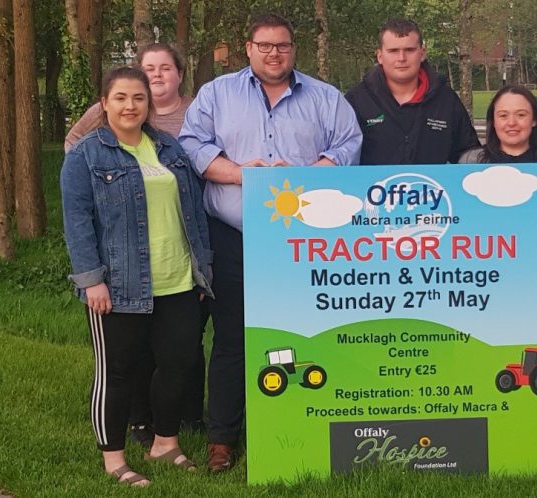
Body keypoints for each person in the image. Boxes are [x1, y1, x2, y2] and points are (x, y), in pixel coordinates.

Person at [178, 13, 362, 473]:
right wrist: (243, 175)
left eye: (282, 46)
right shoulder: (216, 95)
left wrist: (300, 179)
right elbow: (192, 146)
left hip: (306, 243)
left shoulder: (325, 97)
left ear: (293, 49)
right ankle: (223, 440)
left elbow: (347, 147)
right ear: (248, 48)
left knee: (306, 333)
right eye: (264, 45)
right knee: (232, 339)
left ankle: (303, 428)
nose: (273, 53)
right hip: (233, 235)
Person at [61, 66, 213, 486]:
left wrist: (203, 269)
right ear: (104, 103)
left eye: (139, 98)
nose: (131, 106)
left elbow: (195, 211)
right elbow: (77, 222)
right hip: (119, 285)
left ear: (149, 104)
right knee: (118, 373)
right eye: (121, 97)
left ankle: (165, 443)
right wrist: (91, 279)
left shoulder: (169, 148)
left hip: (179, 281)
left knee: (179, 363)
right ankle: (115, 460)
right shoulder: (86, 156)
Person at [459, 85, 537, 304]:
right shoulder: (470, 164)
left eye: (521, 115)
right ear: (493, 121)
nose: (511, 123)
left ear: (534, 120)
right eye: (503, 115)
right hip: (479, 282)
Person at [345, 18, 479, 165]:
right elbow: (341, 154)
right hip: (372, 188)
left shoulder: (446, 100)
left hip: (430, 187)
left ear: (422, 53)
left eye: (409, 50)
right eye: (393, 51)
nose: (401, 58)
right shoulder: (356, 101)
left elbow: (468, 153)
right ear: (380, 56)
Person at [65, 43, 193, 151]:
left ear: (180, 75)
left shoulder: (198, 110)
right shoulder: (112, 107)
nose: (157, 74)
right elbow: (73, 139)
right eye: (149, 69)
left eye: (165, 69)